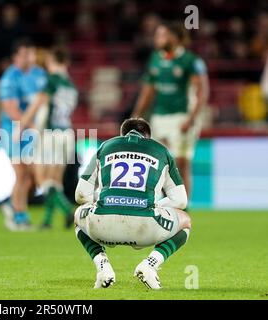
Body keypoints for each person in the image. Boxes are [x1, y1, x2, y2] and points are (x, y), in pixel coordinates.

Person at [74, 118, 191, 290]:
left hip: (102, 227)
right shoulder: (161, 151)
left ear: (122, 135)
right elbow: (180, 201)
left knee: (78, 216)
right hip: (146, 228)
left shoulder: (106, 147)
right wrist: (154, 205)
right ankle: (150, 265)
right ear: (148, 137)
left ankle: (102, 267)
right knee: (186, 221)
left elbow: (81, 195)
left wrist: (106, 200)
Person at [132, 22, 209, 198]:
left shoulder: (190, 60)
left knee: (181, 164)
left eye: (162, 35)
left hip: (182, 116)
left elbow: (202, 90)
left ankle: (183, 208)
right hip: (159, 117)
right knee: (158, 163)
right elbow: (148, 91)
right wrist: (136, 115)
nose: (157, 39)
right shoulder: (156, 59)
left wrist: (192, 118)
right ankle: (160, 206)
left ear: (174, 37)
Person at [19, 47, 78, 229]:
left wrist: (22, 124)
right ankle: (47, 221)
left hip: (51, 133)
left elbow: (39, 104)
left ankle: (68, 210)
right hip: (67, 133)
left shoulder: (52, 80)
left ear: (51, 61)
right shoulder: (71, 85)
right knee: (55, 181)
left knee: (43, 179)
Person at [0, 39, 47, 231]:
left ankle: (12, 206)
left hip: (31, 131)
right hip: (13, 132)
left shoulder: (38, 74)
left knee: (29, 176)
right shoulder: (9, 77)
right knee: (21, 174)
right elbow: (10, 107)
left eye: (30, 53)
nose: (28, 58)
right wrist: (31, 125)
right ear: (16, 56)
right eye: (24, 54)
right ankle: (20, 216)